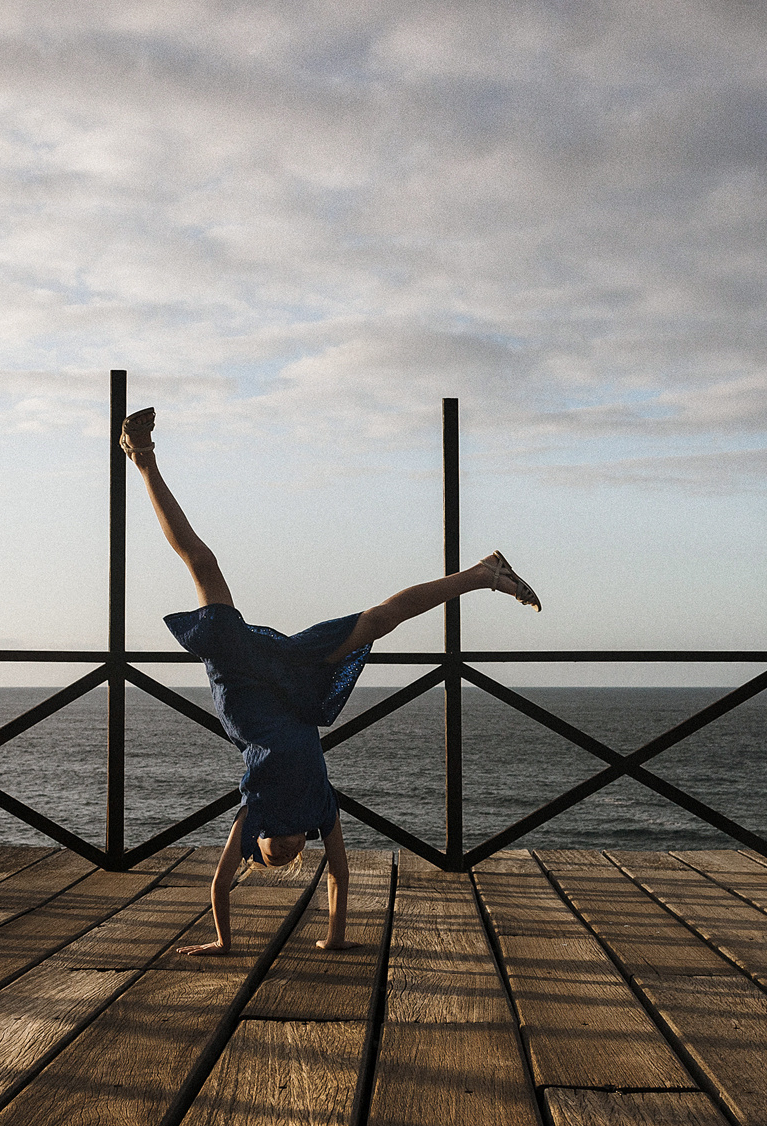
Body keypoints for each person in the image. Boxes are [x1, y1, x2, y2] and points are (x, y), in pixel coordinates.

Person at [119, 405, 540, 956]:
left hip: (244, 676)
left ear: (257, 840)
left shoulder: (255, 810)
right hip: (294, 686)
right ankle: (485, 573)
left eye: (268, 850)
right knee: (378, 620)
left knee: (202, 562)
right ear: (299, 846)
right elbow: (339, 875)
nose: (280, 846)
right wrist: (336, 937)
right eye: (286, 852)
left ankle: (142, 459)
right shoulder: (318, 809)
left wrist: (224, 942)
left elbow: (219, 884)